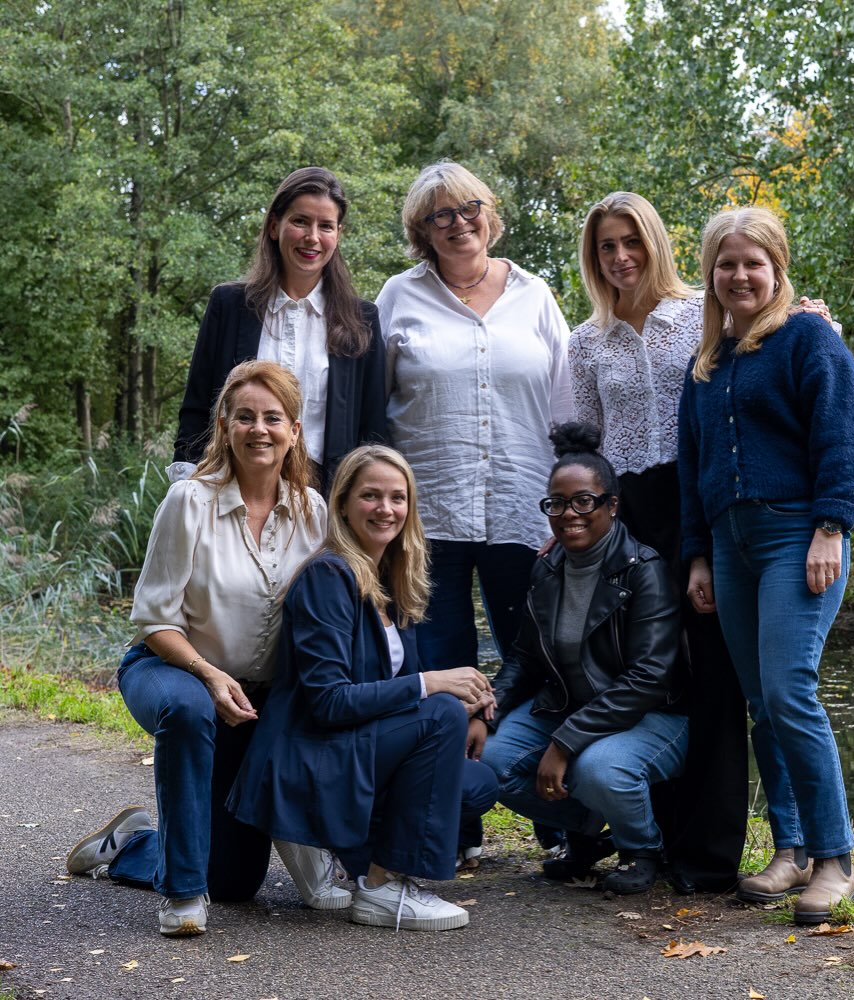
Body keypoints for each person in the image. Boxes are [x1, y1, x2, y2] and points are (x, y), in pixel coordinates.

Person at [569, 191, 839, 893]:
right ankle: (651, 838)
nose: (620, 255)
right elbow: (592, 443)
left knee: (751, 690)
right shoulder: (604, 343)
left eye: (632, 241)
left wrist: (829, 524)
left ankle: (731, 854)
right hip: (665, 520)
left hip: (756, 520)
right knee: (662, 678)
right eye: (605, 246)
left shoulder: (710, 320)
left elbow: (831, 418)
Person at [66, 361, 332, 936]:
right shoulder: (190, 501)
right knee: (187, 710)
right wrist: (209, 675)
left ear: (294, 430)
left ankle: (135, 841)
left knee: (235, 880)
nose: (259, 430)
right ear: (225, 426)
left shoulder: (314, 513)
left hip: (252, 702)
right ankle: (182, 898)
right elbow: (153, 619)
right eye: (245, 417)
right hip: (169, 668)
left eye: (272, 418)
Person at [678, 206, 854, 924]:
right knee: (760, 702)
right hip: (730, 547)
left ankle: (834, 859)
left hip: (798, 534)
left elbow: (846, 438)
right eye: (725, 264)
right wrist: (696, 554)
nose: (738, 275)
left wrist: (830, 527)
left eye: (751, 263)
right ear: (710, 274)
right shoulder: (706, 366)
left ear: (776, 269)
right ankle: (788, 850)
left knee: (790, 692)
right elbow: (693, 470)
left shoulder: (807, 337)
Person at [227, 445, 499, 931]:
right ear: (344, 505)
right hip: (310, 752)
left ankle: (348, 852)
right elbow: (330, 701)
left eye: (398, 498)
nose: (386, 508)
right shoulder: (327, 577)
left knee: (475, 782)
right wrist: (435, 685)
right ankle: (383, 885)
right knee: (439, 714)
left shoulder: (392, 580)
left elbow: (402, 688)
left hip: (350, 747)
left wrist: (472, 704)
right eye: (371, 495)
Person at [377, 160, 573, 678]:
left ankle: (515, 759)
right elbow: (371, 408)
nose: (459, 222)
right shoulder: (398, 296)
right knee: (436, 666)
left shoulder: (535, 295)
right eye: (440, 216)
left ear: (489, 214)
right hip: (426, 514)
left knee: (532, 663)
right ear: (421, 230)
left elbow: (568, 406)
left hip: (523, 509)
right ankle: (448, 757)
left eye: (470, 208)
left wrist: (571, 504)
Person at [477, 423, 689, 895]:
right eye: (557, 503)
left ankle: (644, 848)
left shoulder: (644, 571)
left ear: (611, 505)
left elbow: (648, 678)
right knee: (490, 761)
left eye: (583, 501)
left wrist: (565, 742)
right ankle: (593, 833)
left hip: (652, 716)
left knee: (599, 769)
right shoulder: (547, 567)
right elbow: (523, 656)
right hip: (571, 708)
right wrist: (486, 710)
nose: (568, 514)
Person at [171, 167, 386, 495]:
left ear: (338, 234)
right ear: (275, 226)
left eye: (325, 226)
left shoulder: (361, 320)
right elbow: (197, 409)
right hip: (231, 492)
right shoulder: (229, 306)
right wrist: (185, 491)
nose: (312, 237)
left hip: (325, 503)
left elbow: (372, 432)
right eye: (300, 221)